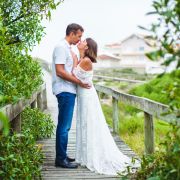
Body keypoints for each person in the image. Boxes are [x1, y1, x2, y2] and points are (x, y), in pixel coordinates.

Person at [72, 38, 139, 175]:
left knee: (89, 124)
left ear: (87, 47)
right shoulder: (82, 59)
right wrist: (77, 56)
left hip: (87, 96)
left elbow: (73, 74)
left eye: (84, 41)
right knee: (84, 123)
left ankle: (93, 156)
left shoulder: (86, 61)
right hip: (84, 95)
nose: (81, 41)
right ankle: (85, 156)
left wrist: (74, 58)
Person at [52, 23, 90, 169]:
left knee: (65, 125)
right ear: (72, 33)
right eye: (79, 36)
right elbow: (60, 71)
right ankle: (61, 159)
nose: (80, 39)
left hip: (68, 90)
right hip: (65, 90)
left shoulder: (67, 48)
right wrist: (79, 82)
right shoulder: (61, 47)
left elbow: (69, 69)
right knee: (64, 126)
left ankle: (62, 155)